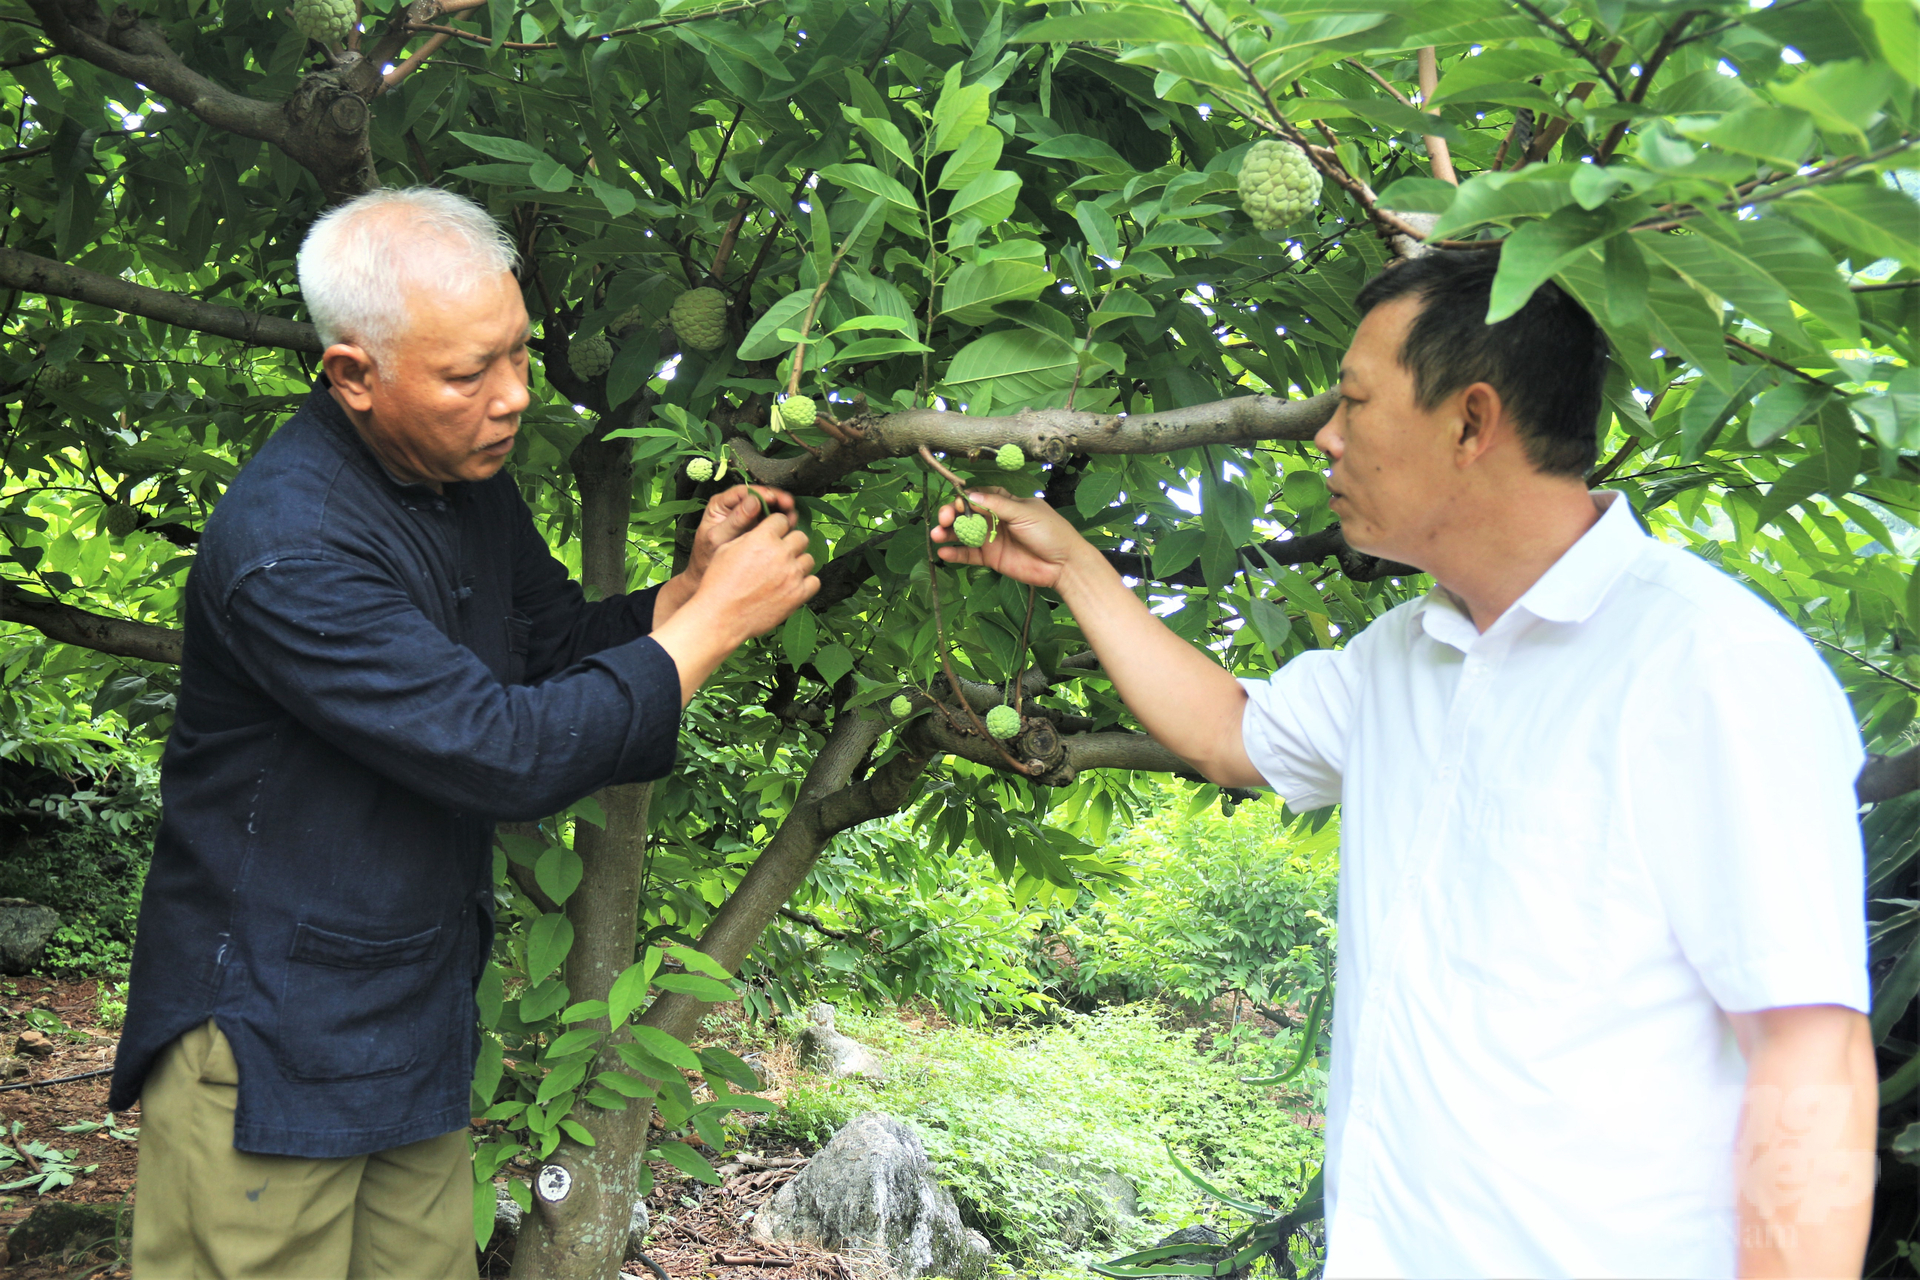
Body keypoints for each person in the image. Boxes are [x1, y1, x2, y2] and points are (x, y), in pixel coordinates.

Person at [934, 252, 1872, 1278]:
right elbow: (1227, 730)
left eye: (1353, 402)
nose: (1327, 437)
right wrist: (1073, 565)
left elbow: (1808, 1053)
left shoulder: (1715, 669)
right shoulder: (1405, 654)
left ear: (1470, 422)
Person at [108, 187, 819, 1278]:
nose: (515, 398)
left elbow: (554, 646)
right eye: (466, 376)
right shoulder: (290, 545)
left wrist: (688, 588)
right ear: (354, 374)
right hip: (267, 1038)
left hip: (410, 1020)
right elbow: (504, 751)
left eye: (519, 354)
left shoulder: (461, 481)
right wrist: (718, 626)